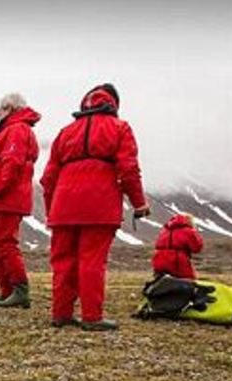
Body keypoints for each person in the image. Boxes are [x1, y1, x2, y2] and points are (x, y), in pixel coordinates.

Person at [41, 83, 150, 330]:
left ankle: (61, 314)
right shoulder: (120, 128)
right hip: (100, 204)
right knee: (92, 260)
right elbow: (128, 169)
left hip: (63, 205)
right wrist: (139, 203)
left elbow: (48, 179)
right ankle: (92, 317)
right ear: (114, 104)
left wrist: (52, 210)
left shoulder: (65, 132)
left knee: (62, 261)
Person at [0, 93, 41, 308]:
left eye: (0, 109)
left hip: (7, 198)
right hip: (4, 198)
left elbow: (12, 164)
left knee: (6, 244)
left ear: (10, 109)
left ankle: (20, 291)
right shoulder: (14, 130)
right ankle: (8, 291)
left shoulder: (16, 130)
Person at [151, 214, 204, 280]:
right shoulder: (188, 231)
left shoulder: (165, 230)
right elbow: (196, 248)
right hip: (177, 261)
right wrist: (196, 235)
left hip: (158, 260)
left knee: (161, 283)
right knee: (188, 282)